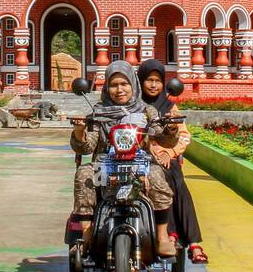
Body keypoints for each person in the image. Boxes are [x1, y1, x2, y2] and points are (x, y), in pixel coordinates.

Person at [68, 61, 178, 256]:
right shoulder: (97, 112)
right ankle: (87, 233)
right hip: (105, 164)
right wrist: (79, 131)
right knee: (83, 172)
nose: (119, 90)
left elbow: (164, 138)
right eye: (114, 85)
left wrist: (170, 128)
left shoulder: (146, 111)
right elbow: (87, 147)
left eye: (124, 84)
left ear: (133, 85)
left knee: (157, 174)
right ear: (107, 87)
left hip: (139, 163)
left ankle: (162, 236)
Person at [139, 59, 207, 264]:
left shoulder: (170, 106)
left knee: (178, 181)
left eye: (157, 81)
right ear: (140, 81)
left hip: (168, 158)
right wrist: (156, 151)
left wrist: (170, 153)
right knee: (166, 177)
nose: (153, 85)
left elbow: (184, 136)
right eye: (148, 80)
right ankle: (173, 234)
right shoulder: (134, 105)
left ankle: (191, 241)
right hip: (144, 158)